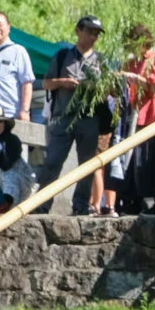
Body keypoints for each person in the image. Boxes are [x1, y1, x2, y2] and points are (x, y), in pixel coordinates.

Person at [42, 15, 108, 216]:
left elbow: (109, 92)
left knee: (87, 165)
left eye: (96, 34)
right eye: (89, 32)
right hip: (63, 117)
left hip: (89, 119)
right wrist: (62, 82)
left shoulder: (101, 61)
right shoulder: (62, 56)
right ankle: (42, 205)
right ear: (78, 31)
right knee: (52, 161)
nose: (93, 37)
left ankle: (80, 205)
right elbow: (46, 83)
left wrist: (95, 88)